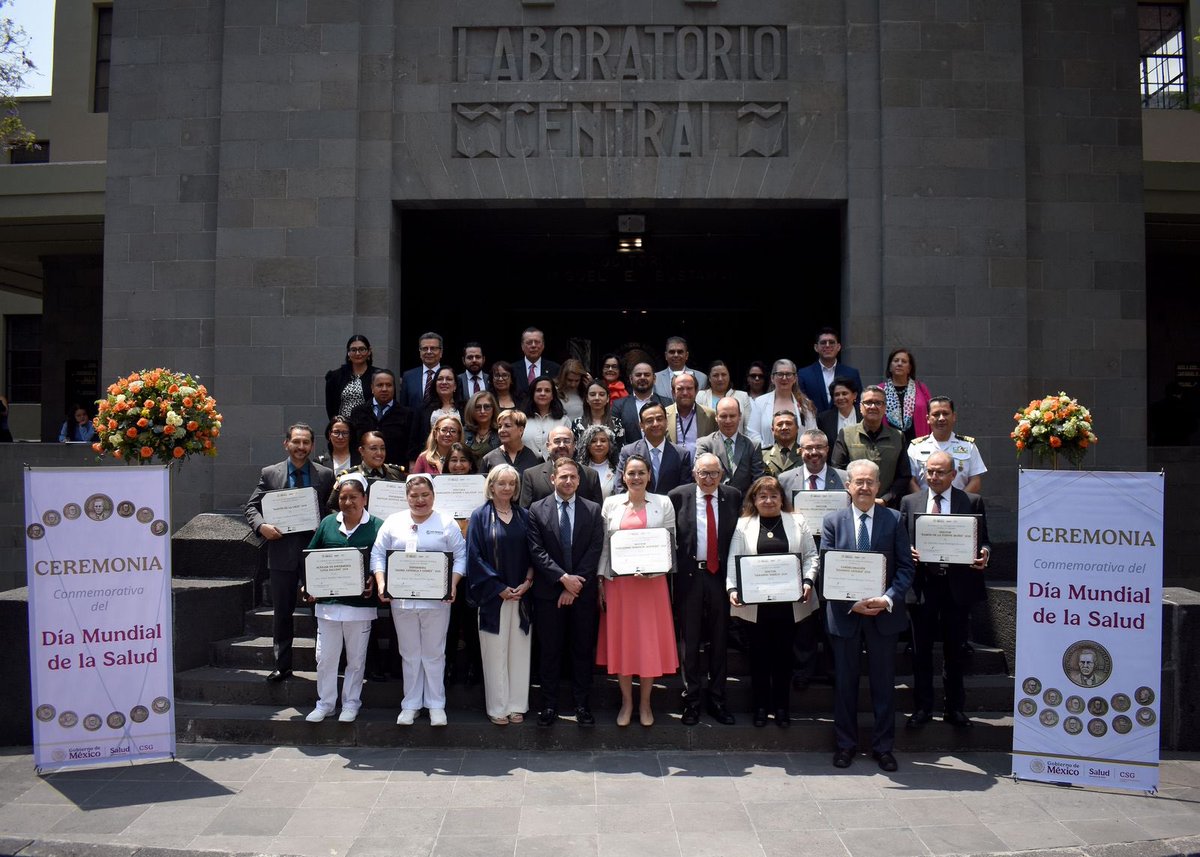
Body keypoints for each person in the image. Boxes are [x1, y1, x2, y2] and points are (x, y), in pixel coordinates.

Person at [822, 459, 915, 771]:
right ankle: (845, 746)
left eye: (869, 482)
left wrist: (887, 599)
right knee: (845, 685)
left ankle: (883, 747)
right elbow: (827, 569)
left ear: (878, 486)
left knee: (883, 686)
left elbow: (905, 568)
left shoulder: (894, 519)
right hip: (847, 615)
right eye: (858, 482)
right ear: (848, 486)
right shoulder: (833, 521)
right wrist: (851, 603)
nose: (863, 487)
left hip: (883, 616)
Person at [900, 450, 991, 729]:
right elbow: (900, 541)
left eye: (940, 472)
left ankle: (955, 708)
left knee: (955, 651)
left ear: (953, 475)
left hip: (957, 587)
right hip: (923, 587)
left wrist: (985, 553)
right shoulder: (909, 502)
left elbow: (984, 541)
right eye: (929, 471)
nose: (934, 477)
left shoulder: (971, 501)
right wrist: (908, 552)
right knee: (921, 651)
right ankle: (923, 708)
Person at [370, 474, 467, 726]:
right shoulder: (393, 521)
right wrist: (382, 583)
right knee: (409, 652)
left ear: (433, 496)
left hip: (437, 601)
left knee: (434, 652)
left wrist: (453, 583)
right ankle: (410, 704)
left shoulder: (446, 522)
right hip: (401, 601)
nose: (420, 500)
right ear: (406, 497)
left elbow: (461, 556)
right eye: (414, 496)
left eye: (425, 495)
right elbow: (378, 554)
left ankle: (436, 704)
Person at [244, 423, 335, 682]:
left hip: (315, 553)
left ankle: (325, 664)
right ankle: (282, 666)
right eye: (296, 442)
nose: (301, 447)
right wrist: (262, 526)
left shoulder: (326, 475)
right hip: (282, 552)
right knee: (282, 613)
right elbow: (251, 507)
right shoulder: (271, 473)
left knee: (320, 611)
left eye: (306, 442)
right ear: (286, 443)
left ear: (312, 445)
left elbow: (331, 510)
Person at [726, 475, 819, 728]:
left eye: (773, 496)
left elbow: (812, 556)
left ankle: (781, 708)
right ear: (754, 500)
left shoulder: (797, 521)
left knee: (784, 658)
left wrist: (808, 581)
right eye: (762, 496)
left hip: (789, 605)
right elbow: (734, 560)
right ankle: (759, 708)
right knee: (758, 659)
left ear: (782, 499)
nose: (768, 500)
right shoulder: (743, 525)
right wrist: (732, 588)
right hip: (755, 606)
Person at [596, 454, 679, 726]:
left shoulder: (663, 503)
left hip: (651, 586)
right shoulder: (610, 504)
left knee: (647, 644)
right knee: (623, 643)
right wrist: (600, 580)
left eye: (641, 472)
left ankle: (645, 704)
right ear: (623, 476)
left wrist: (654, 569)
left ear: (649, 475)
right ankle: (626, 702)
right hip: (619, 585)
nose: (636, 477)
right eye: (631, 473)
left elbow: (670, 543)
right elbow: (605, 547)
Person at [527, 458, 604, 728]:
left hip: (582, 594)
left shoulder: (593, 510)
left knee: (582, 651)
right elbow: (537, 551)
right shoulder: (537, 510)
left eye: (573, 477)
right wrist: (562, 580)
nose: (568, 481)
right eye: (563, 477)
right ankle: (549, 705)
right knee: (550, 651)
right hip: (549, 594)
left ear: (579, 480)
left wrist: (574, 585)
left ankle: (582, 705)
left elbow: (595, 550)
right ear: (553, 479)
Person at [302, 473, 382, 723]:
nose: (348, 502)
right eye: (344, 497)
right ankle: (325, 703)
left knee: (356, 660)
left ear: (365, 499)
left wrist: (373, 578)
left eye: (354, 497)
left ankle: (350, 703)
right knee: (325, 658)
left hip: (360, 606)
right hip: (327, 606)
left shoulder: (378, 526)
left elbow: (383, 560)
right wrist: (308, 585)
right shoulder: (327, 523)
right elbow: (311, 557)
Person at [668, 453, 741, 726]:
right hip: (690, 577)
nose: (709, 479)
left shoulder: (733, 496)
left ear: (721, 475)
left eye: (714, 474)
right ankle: (692, 700)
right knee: (690, 641)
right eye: (703, 474)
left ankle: (718, 699)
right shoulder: (677, 496)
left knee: (720, 640)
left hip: (721, 577)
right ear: (694, 474)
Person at [466, 465, 534, 725]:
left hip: (521, 595)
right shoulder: (480, 516)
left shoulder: (525, 516)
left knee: (519, 651)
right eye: (501, 483)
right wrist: (498, 588)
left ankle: (517, 704)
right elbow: (474, 557)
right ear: (491, 486)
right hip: (493, 597)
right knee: (494, 653)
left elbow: (534, 552)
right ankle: (498, 706)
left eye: (511, 484)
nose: (507, 488)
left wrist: (528, 581)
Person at [831, 385, 912, 507]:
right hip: (853, 505)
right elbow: (838, 471)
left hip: (887, 507)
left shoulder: (897, 436)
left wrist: (886, 499)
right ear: (860, 407)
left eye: (878, 403)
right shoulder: (846, 434)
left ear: (885, 408)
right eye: (868, 402)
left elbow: (904, 476)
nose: (873, 407)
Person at [907, 396, 987, 493]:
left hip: (960, 506)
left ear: (953, 416)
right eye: (936, 414)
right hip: (925, 506)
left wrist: (959, 503)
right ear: (928, 418)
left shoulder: (968, 446)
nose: (941, 418)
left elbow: (975, 480)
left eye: (945, 413)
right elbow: (910, 481)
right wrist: (924, 504)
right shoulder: (916, 447)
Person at [616, 402, 694, 494]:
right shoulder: (628, 452)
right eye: (649, 420)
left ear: (666, 421)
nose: (655, 424)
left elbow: (684, 491)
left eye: (659, 419)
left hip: (671, 507)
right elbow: (620, 486)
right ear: (641, 425)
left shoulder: (681, 455)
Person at [348, 370, 418, 469]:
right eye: (380, 385)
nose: (384, 389)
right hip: (364, 470)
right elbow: (353, 443)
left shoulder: (407, 414)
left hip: (396, 471)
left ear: (394, 388)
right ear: (372, 388)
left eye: (389, 385)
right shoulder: (358, 412)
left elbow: (412, 445)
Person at [519, 425, 603, 508]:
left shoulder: (591, 476)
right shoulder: (532, 476)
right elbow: (526, 513)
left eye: (567, 441)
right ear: (548, 446)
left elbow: (596, 514)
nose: (562, 445)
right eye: (557, 441)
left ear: (574, 446)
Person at [696, 396, 764, 496]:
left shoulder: (753, 446)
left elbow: (758, 481)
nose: (728, 421)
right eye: (723, 416)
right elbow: (700, 476)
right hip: (714, 501)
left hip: (744, 505)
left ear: (740, 416)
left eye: (732, 416)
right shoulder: (705, 444)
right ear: (716, 417)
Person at [747, 359, 817, 445]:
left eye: (788, 374)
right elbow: (753, 433)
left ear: (795, 378)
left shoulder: (805, 404)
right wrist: (767, 452)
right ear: (772, 378)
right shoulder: (760, 402)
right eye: (780, 374)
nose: (784, 378)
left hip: (798, 456)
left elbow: (813, 433)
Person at [798, 328, 863, 414]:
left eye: (831, 342)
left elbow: (858, 402)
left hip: (845, 424)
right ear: (816, 347)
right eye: (823, 342)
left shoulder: (851, 373)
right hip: (814, 424)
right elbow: (801, 403)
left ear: (838, 347)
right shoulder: (804, 374)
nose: (827, 345)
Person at [611, 362, 671, 444]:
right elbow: (616, 438)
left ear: (654, 379)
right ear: (631, 379)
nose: (642, 378)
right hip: (630, 455)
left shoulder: (667, 403)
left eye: (646, 375)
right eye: (638, 375)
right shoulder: (619, 405)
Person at [881, 347, 931, 443]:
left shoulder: (921, 388)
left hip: (918, 443)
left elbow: (932, 414)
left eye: (904, 361)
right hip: (889, 444)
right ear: (890, 367)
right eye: (896, 361)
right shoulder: (880, 390)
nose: (899, 364)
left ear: (909, 368)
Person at [778, 429, 847, 498]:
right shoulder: (784, 480)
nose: (814, 452)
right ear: (801, 451)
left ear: (827, 449)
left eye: (819, 447)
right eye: (809, 448)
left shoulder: (845, 478)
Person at [324, 334, 376, 419]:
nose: (358, 353)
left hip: (369, 428)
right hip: (343, 428)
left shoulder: (378, 375)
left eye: (362, 349)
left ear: (369, 351)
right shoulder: (335, 377)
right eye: (353, 350)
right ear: (348, 353)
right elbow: (331, 408)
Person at [480, 409, 543, 477]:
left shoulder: (535, 458)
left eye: (507, 426)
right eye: (500, 426)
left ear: (521, 430)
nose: (502, 430)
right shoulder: (489, 459)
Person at [665, 373, 716, 457]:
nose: (685, 393)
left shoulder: (710, 415)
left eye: (689, 388)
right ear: (673, 393)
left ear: (696, 391)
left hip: (701, 468)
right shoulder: (663, 415)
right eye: (680, 389)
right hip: (673, 468)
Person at [697, 359, 753, 434]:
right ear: (709, 378)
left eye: (723, 375)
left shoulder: (742, 396)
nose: (720, 379)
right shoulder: (700, 396)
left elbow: (749, 428)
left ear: (729, 376)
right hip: (708, 444)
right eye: (715, 375)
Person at [521, 375, 571, 459]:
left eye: (547, 390)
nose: (543, 393)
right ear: (532, 394)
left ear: (552, 396)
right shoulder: (521, 419)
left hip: (555, 466)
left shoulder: (563, 420)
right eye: (538, 390)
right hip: (525, 466)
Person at [571, 380, 626, 447]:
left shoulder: (617, 423)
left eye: (601, 394)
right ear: (587, 399)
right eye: (592, 394)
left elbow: (620, 449)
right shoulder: (577, 423)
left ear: (608, 398)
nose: (597, 398)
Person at [401, 331, 445, 410]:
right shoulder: (408, 376)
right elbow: (404, 407)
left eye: (433, 348)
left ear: (441, 352)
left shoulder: (450, 376)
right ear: (420, 352)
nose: (428, 352)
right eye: (425, 348)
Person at [513, 327, 561, 400]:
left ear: (543, 345)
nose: (533, 346)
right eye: (529, 342)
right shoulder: (512, 369)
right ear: (522, 346)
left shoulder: (555, 369)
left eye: (537, 342)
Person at [577, 424, 619, 498]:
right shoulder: (579, 468)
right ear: (587, 445)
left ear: (610, 445)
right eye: (593, 441)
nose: (598, 444)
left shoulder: (618, 468)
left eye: (603, 441)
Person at [816, 376, 860, 447]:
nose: (841, 397)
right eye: (837, 395)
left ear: (854, 395)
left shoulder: (864, 415)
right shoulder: (824, 419)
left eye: (844, 393)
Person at [418, 366, 464, 434]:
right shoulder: (423, 408)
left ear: (455, 386)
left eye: (449, 379)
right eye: (440, 379)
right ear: (435, 384)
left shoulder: (464, 408)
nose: (444, 382)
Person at [760, 411, 804, 478]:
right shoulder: (762, 455)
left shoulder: (805, 454)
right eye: (779, 424)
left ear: (797, 428)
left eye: (789, 424)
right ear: (773, 430)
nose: (784, 428)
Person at [463, 390, 501, 460]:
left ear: (493, 409)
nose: (482, 411)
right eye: (478, 407)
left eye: (487, 407)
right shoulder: (463, 432)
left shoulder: (501, 432)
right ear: (471, 409)